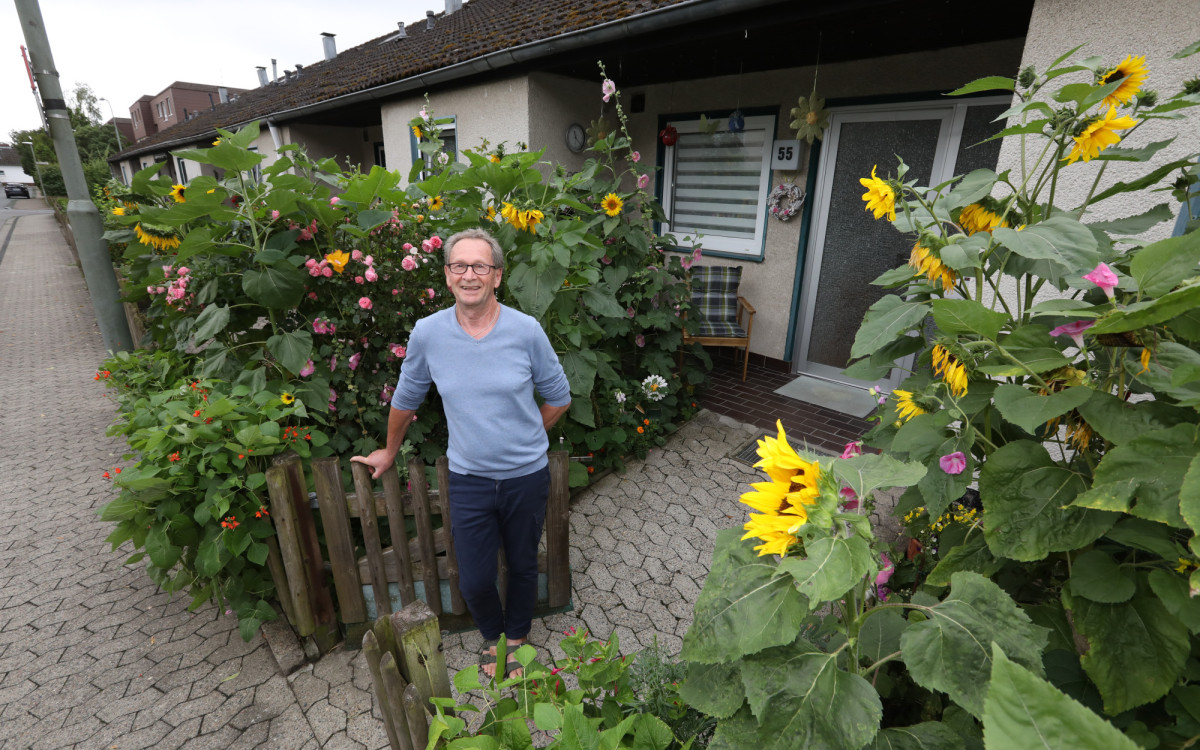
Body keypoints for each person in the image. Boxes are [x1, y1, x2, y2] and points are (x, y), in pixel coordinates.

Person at [351, 227, 571, 678]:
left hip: (526, 476)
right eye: (459, 265)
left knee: (524, 563)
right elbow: (406, 400)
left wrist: (529, 433)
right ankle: (493, 635)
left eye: (480, 266)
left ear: (497, 277)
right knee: (473, 577)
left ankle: (518, 637)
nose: (469, 274)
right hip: (468, 478)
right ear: (448, 275)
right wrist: (389, 452)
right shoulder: (429, 333)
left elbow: (559, 396)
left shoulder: (525, 331)